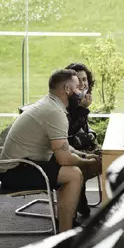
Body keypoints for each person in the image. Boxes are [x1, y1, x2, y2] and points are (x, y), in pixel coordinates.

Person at [0, 69, 100, 232]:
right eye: (77, 87)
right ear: (67, 89)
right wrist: (87, 162)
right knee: (73, 173)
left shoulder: (51, 104)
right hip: (14, 171)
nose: (81, 91)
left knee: (73, 169)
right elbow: (64, 159)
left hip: (25, 164)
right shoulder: (55, 112)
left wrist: (84, 155)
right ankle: (65, 234)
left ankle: (64, 223)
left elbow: (63, 147)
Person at [65, 63, 102, 218]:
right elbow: (68, 132)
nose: (82, 83)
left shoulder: (79, 99)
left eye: (85, 79)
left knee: (103, 155)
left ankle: (79, 196)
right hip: (65, 148)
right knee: (98, 159)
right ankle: (75, 200)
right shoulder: (66, 101)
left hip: (77, 145)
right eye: (78, 80)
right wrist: (82, 109)